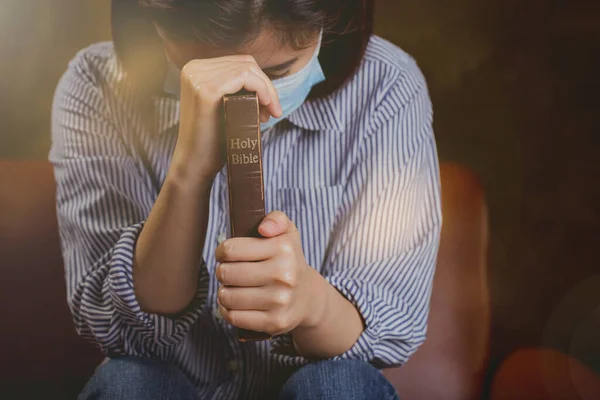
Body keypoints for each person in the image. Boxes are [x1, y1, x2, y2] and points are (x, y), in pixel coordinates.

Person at [49, 0, 442, 398]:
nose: (249, 99)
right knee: (127, 383)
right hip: (164, 383)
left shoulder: (385, 83)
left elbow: (393, 327)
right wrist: (188, 174)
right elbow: (115, 330)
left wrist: (311, 302)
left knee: (339, 384)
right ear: (156, 25)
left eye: (279, 71)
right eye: (206, 77)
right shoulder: (98, 83)